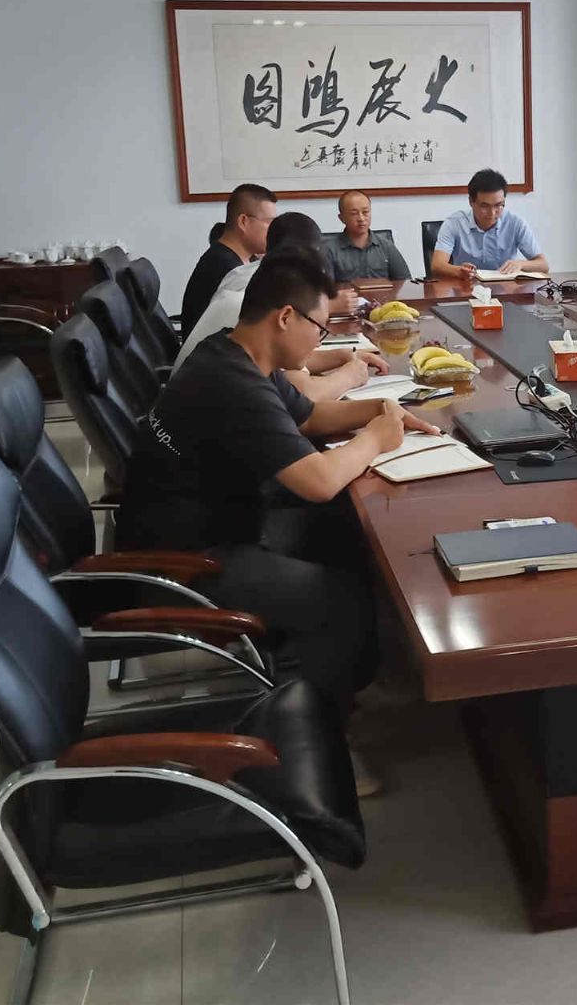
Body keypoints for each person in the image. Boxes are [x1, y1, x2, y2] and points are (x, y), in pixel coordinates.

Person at [117, 253, 441, 768]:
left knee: (348, 535)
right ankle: (325, 747)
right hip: (189, 561)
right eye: (319, 327)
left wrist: (385, 411)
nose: (320, 340)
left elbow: (308, 418)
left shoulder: (233, 354)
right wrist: (376, 439)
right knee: (342, 599)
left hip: (219, 525)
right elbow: (318, 481)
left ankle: (371, 679)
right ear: (286, 317)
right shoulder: (232, 382)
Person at [174, 212, 389, 402]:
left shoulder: (250, 275)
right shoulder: (268, 296)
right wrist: (349, 376)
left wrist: (343, 356)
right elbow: (303, 393)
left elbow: (284, 364)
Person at [181, 183, 276, 334]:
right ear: (243, 221)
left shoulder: (230, 258)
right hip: (208, 348)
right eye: (270, 223)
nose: (274, 230)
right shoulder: (225, 267)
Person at [430, 168, 549, 279]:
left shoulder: (515, 223)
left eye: (499, 205)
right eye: (485, 206)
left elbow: (543, 265)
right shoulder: (454, 223)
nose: (492, 213)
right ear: (471, 201)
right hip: (466, 287)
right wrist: (459, 271)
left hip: (506, 290)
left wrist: (520, 264)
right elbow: (437, 266)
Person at [323, 190, 412, 282]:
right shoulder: (329, 250)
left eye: (365, 212)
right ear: (342, 218)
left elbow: (405, 282)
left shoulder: (386, 246)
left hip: (381, 292)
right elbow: (322, 287)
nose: (361, 218)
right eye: (354, 214)